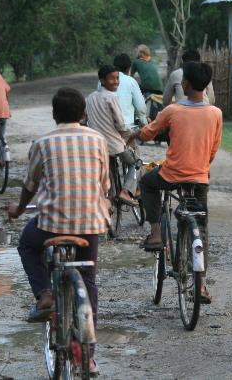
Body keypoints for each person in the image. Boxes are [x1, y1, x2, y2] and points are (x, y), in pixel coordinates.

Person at [8, 88, 109, 376]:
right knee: (88, 276)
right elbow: (104, 185)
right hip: (90, 225)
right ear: (83, 114)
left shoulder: (43, 142)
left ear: (54, 116)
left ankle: (44, 293)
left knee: (28, 245)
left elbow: (30, 184)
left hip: (50, 225)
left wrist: (18, 209)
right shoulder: (98, 140)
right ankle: (88, 355)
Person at [128, 61, 222, 302]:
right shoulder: (215, 113)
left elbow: (150, 132)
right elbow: (213, 149)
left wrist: (138, 133)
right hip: (200, 177)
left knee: (148, 183)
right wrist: (201, 165)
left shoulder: (172, 111)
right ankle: (200, 286)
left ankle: (156, 233)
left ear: (186, 84)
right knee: (201, 228)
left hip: (171, 175)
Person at [86, 65, 138, 206]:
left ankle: (110, 198)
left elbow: (85, 122)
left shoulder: (90, 98)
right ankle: (126, 192)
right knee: (136, 164)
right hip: (114, 146)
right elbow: (121, 125)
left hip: (95, 146)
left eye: (117, 78)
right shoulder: (111, 97)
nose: (116, 82)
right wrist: (132, 135)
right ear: (102, 80)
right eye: (112, 79)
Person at [101, 53, 147, 129]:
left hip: (105, 127)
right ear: (129, 68)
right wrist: (144, 122)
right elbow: (140, 108)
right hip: (125, 128)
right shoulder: (131, 81)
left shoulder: (102, 81)